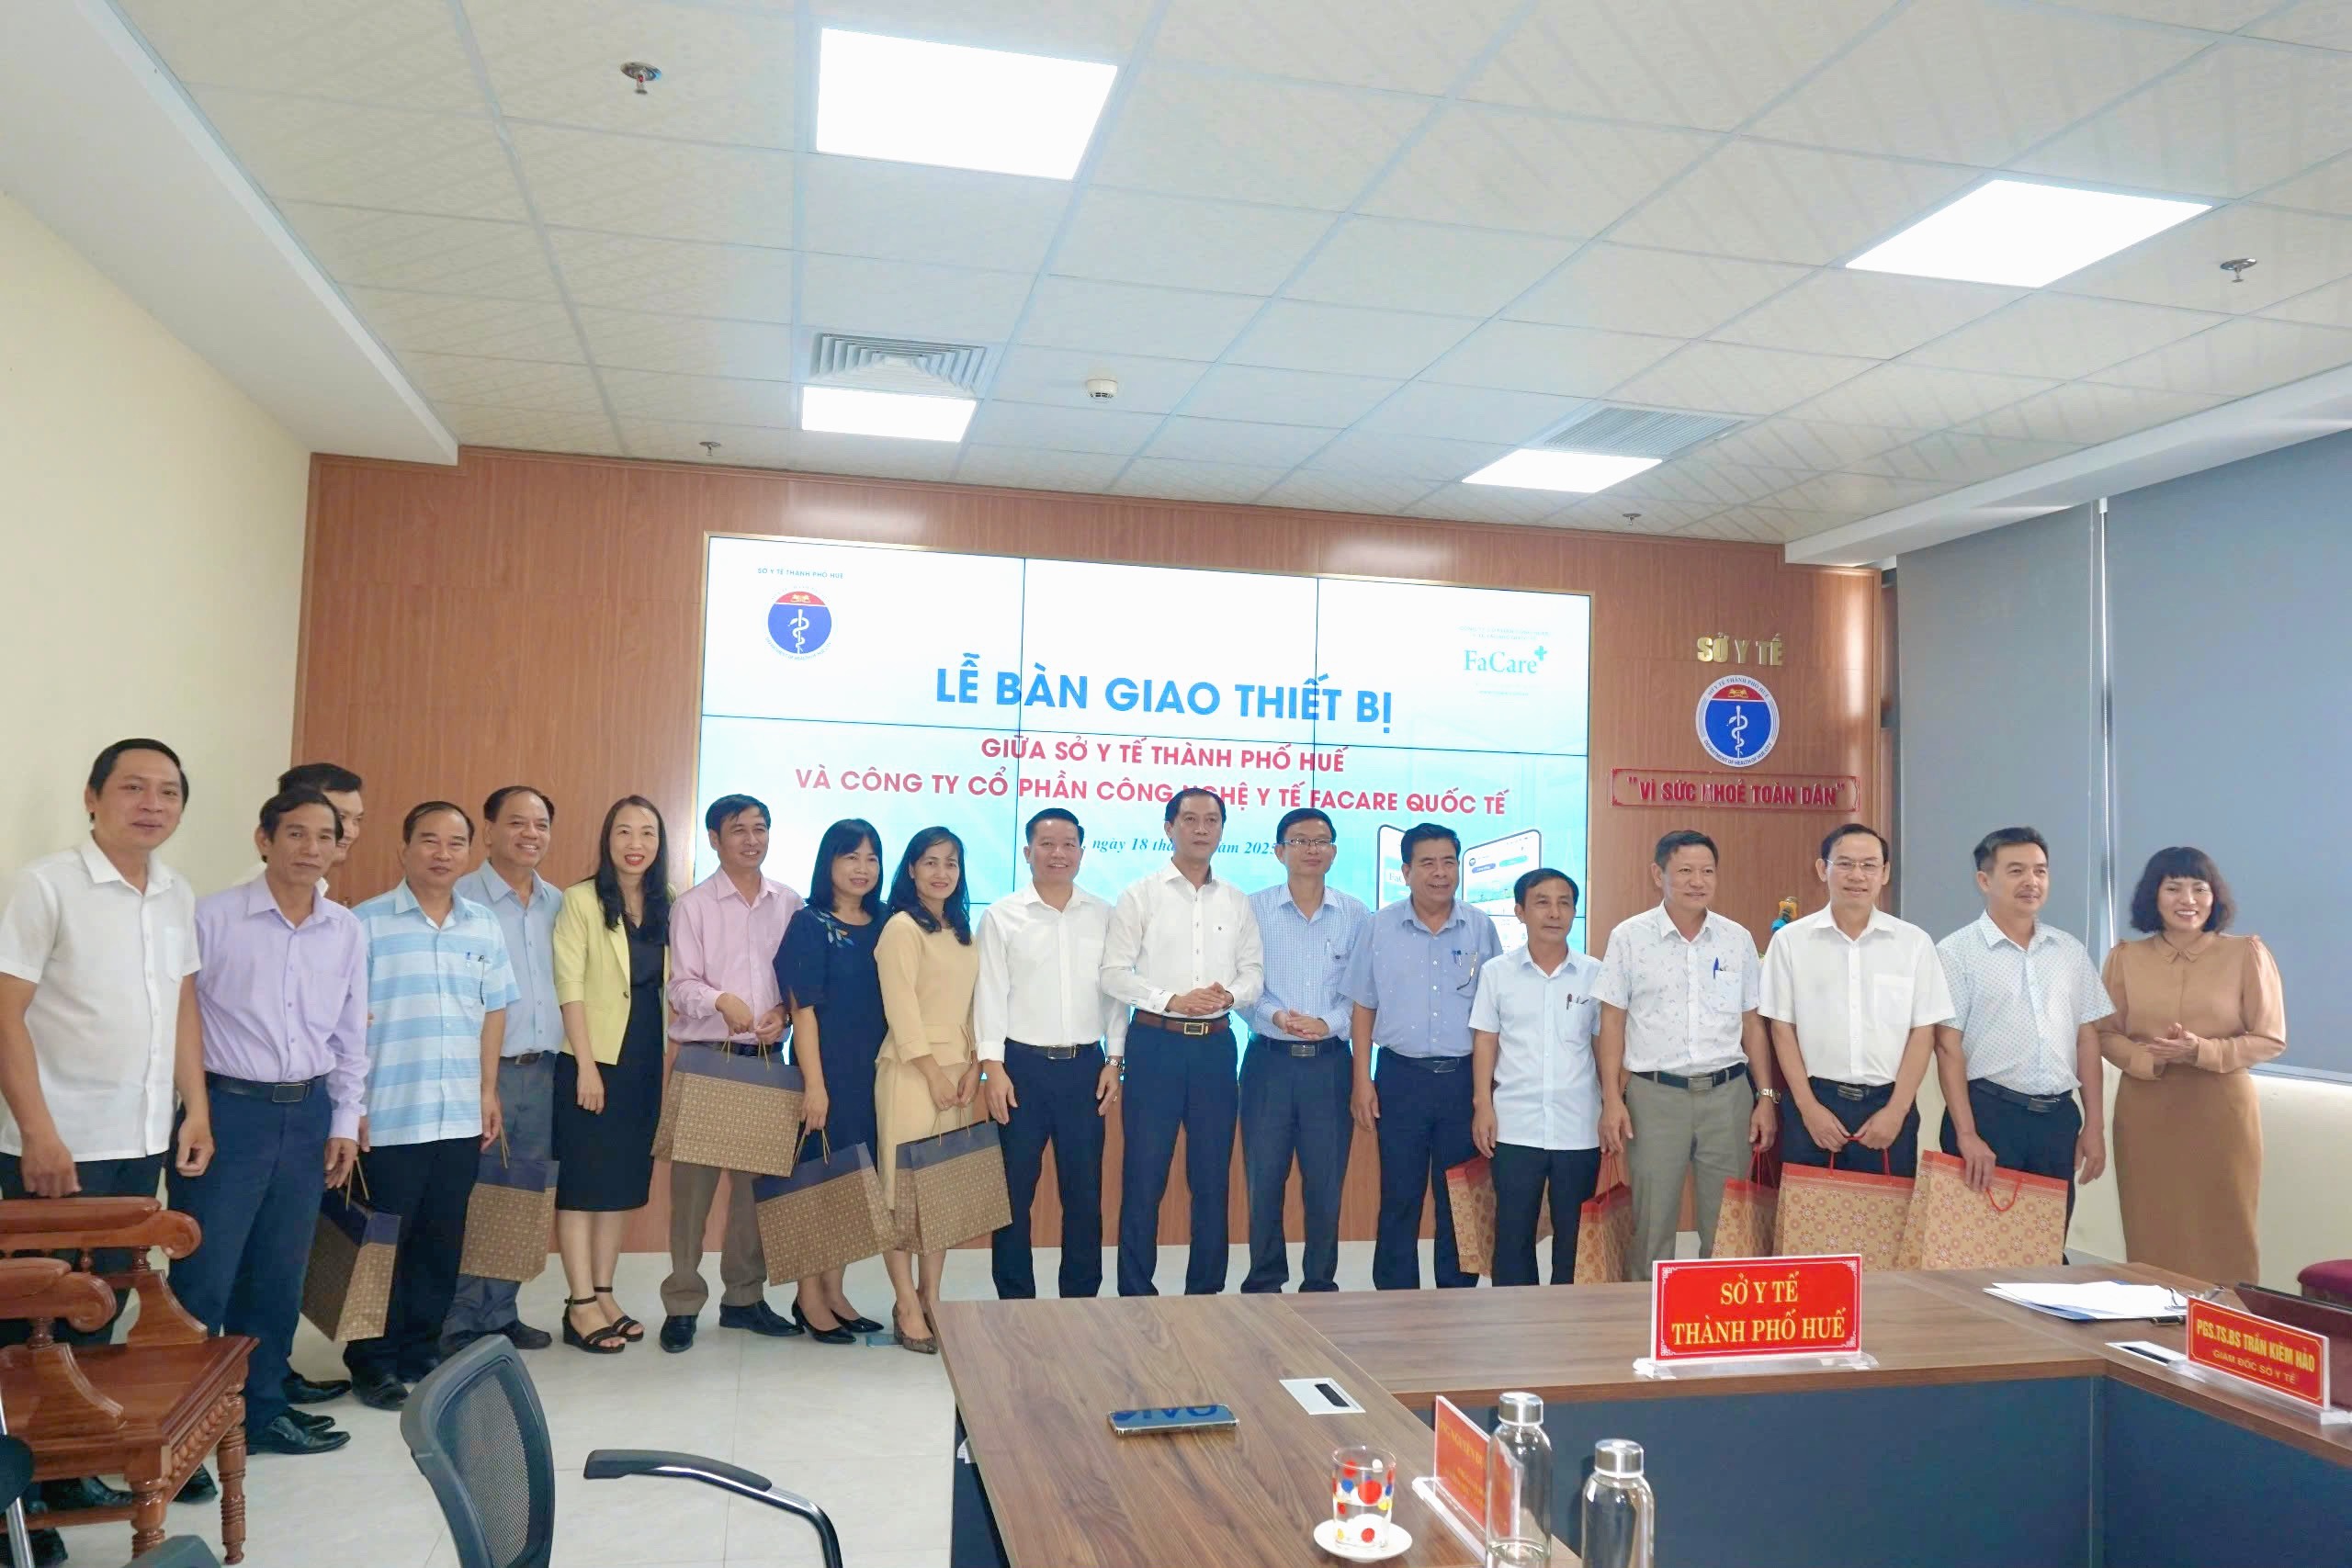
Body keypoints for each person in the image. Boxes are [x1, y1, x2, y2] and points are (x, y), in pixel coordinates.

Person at [0, 739, 214, 1546]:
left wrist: (195, 1109)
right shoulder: (46, 884)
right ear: (93, 797)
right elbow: (5, 1012)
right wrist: (37, 1130)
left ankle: (66, 1466)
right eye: (133, 787)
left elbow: (182, 1006)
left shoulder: (175, 891)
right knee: (33, 1319)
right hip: (58, 1144)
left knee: (101, 1305)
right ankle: (18, 1495)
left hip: (139, 1135)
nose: (151, 804)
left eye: (168, 791)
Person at [169, 787, 364, 1460]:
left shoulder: (345, 929)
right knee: (205, 1276)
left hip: (307, 1113)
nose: (311, 848)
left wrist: (344, 1119)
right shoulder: (212, 917)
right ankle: (186, 1429)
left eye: (325, 836)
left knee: (279, 1274)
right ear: (264, 839)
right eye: (296, 833)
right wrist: (195, 1110)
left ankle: (260, 1410)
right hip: (229, 1111)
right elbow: (182, 1024)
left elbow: (349, 1033)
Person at [345, 802, 515, 1410]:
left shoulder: (482, 926)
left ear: (470, 851)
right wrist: (351, 1104)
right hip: (389, 1113)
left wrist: (487, 1090)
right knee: (381, 1246)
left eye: (455, 842)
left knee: (442, 1241)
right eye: (429, 840)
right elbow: (344, 1021)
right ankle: (371, 1360)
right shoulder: (364, 925)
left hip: (459, 1113)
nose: (442, 853)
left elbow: (494, 1010)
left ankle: (420, 1349)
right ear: (404, 848)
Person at [1102, 789, 1264, 1298]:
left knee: (1212, 1178)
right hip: (1156, 1045)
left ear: (1221, 830)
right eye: (1190, 819)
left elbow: (1254, 974)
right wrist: (1171, 1000)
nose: (1201, 829)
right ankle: (1135, 1292)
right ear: (1169, 827)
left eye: (1211, 820)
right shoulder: (1140, 895)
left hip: (1215, 1049)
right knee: (1144, 1175)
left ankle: (1206, 1293)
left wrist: (1228, 995)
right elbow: (1113, 974)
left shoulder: (1237, 900)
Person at [1594, 829, 1777, 1277]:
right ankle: (1643, 1310)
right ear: (1658, 874)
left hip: (1727, 1096)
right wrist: (1612, 1100)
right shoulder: (1630, 937)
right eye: (1686, 871)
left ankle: (1718, 1312)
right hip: (1655, 1098)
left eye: (1707, 871)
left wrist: (1765, 1096)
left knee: (1727, 1225)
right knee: (1652, 1223)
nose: (1698, 881)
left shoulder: (1736, 939)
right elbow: (1612, 1022)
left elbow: (1752, 1023)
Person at [660, 793, 803, 1352]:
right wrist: (721, 1000)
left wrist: (783, 1012)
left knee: (754, 1197)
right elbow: (680, 985)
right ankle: (682, 1303)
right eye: (738, 829)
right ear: (714, 840)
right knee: (691, 1196)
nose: (751, 839)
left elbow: (797, 983)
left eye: (759, 828)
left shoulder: (789, 903)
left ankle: (744, 1299)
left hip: (765, 1062)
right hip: (706, 1060)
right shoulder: (693, 905)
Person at [2099, 847, 2284, 1282]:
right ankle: (2152, 1315)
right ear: (2154, 895)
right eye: (2174, 888)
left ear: (2214, 896)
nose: (2188, 900)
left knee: (2227, 1225)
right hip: (2146, 1111)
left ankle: (2227, 1317)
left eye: (2200, 888)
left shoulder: (2246, 954)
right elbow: (2105, 1033)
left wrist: (2202, 1051)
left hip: (2221, 1111)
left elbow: (2270, 1038)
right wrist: (2147, 1058)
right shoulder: (2125, 957)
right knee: (2151, 1224)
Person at [1348, 822, 1501, 1291]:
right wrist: (1361, 1080)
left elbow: (1495, 1013)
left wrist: (1488, 1092)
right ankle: (1395, 1296)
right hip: (1401, 1077)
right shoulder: (1379, 927)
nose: (1440, 873)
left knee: (1460, 1193)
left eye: (1449, 862)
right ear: (1406, 871)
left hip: (1462, 1080)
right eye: (1428, 863)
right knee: (1400, 1193)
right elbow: (1362, 1006)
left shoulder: (1480, 927)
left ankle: (1457, 1294)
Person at [977, 809, 1123, 1302]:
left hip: (1086, 1068)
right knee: (1012, 1193)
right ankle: (1014, 1300)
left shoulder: (1105, 915)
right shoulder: (1001, 916)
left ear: (1081, 852)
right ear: (1027, 852)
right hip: (1020, 1070)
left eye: (1068, 844)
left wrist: (1114, 1060)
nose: (1057, 853)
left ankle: (1080, 1299)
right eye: (1046, 844)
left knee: (1084, 1192)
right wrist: (992, 1067)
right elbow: (990, 994)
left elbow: (1116, 995)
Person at [1933, 827, 2112, 1216]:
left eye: (2040, 871)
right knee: (1978, 1240)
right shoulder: (1955, 952)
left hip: (2058, 1120)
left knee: (2046, 1240)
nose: (2032, 881)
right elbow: (1947, 1048)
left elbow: (2086, 1039)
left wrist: (2094, 1126)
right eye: (2016, 871)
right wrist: (1967, 1133)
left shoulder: (2069, 951)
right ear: (1984, 880)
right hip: (1989, 1115)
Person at [550, 797, 674, 1354]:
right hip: (593, 1058)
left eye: (647, 832)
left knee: (620, 1183)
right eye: (624, 831)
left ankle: (604, 1293)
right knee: (583, 1184)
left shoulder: (668, 901)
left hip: (643, 1056)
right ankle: (578, 1303)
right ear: (607, 839)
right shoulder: (580, 900)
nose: (635, 843)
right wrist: (585, 1066)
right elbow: (570, 986)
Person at [1760, 825, 1952, 1178]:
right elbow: (1782, 1029)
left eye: (1869, 865)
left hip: (1888, 1105)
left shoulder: (1914, 943)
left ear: (1885, 873)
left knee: (1887, 1212)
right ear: (1823, 869)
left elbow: (1923, 1032)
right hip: (1814, 1102)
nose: (1857, 876)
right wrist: (1808, 1108)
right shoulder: (1790, 942)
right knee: (1809, 1212)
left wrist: (1897, 1110)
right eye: (1845, 864)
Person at [444, 785, 560, 1354]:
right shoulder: (459, 899)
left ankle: (501, 1311)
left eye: (540, 825)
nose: (530, 834)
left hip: (543, 1071)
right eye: (517, 823)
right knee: (473, 1193)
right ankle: (458, 1317)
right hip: (477, 1071)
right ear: (488, 830)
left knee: (522, 1193)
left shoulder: (558, 903)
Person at [1239, 808, 1366, 1294]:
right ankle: (1264, 1279)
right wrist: (1276, 1016)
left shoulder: (1355, 913)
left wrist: (1329, 1023)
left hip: (1330, 1065)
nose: (1311, 849)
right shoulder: (1252, 910)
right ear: (1279, 851)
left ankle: (1319, 1281)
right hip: (1268, 1063)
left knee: (1326, 1181)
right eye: (1299, 840)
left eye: (1321, 841)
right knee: (1264, 1178)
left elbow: (1363, 991)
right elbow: (1241, 985)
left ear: (1333, 852)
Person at [775, 818, 890, 1340]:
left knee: (852, 1187)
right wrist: (814, 1086)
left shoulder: (887, 921)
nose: (862, 868)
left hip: (875, 1075)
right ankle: (808, 1296)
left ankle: (835, 1290)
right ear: (829, 863)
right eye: (850, 857)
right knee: (815, 1186)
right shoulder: (809, 922)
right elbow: (803, 1012)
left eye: (871, 858)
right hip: (827, 1074)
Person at [874, 828, 981, 1352]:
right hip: (912, 1072)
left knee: (939, 1192)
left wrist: (974, 1066)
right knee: (901, 1194)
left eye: (951, 863)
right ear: (911, 869)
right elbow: (901, 1009)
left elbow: (974, 1003)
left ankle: (931, 1295)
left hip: (959, 1072)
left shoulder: (961, 930)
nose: (942, 872)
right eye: (931, 862)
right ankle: (905, 1303)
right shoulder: (901, 928)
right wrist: (934, 1072)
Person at [1471, 870, 1604, 1287]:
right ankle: (1515, 1320)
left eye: (1564, 903)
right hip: (1515, 1123)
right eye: (1542, 902)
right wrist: (1482, 1104)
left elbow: (1604, 1046)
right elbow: (1486, 1040)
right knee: (1513, 1235)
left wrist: (1613, 1104)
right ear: (1520, 911)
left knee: (1575, 1237)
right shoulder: (1497, 972)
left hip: (1579, 1125)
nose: (1554, 912)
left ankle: (1569, 1318)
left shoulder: (1595, 973)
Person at [252, 762, 367, 897]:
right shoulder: (259, 889)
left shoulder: (314, 883)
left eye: (356, 820)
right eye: (340, 817)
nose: (350, 833)